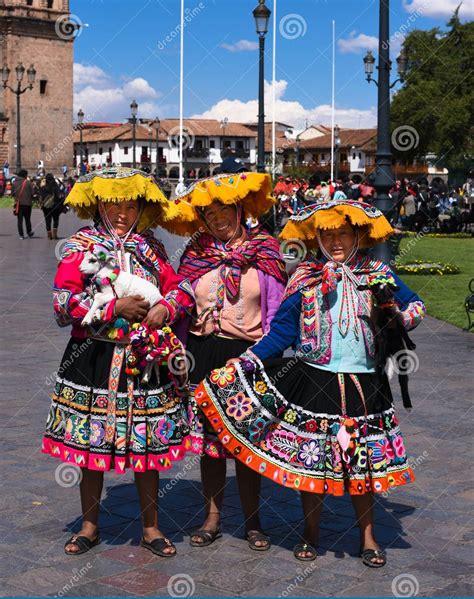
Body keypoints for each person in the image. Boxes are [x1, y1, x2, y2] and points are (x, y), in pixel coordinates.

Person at [195, 199, 425, 566]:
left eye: (343, 233)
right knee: (313, 461)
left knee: (362, 462)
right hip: (315, 378)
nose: (335, 242)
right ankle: (311, 532)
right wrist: (250, 359)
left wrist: (396, 314)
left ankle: (368, 537)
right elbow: (283, 329)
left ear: (358, 235)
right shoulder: (306, 277)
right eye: (327, 234)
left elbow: (416, 306)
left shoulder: (378, 273)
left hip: (365, 381)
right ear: (316, 237)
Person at [42, 167, 195, 557]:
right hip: (93, 357)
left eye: (130, 205)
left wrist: (165, 306)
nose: (123, 213)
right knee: (90, 444)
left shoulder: (151, 248)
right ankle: (89, 526)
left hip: (143, 360)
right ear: (99, 205)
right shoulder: (81, 246)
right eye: (114, 204)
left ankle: (151, 526)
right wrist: (114, 307)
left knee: (146, 446)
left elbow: (181, 288)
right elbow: (62, 304)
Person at [161, 171, 287, 551]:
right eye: (209, 214)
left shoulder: (265, 250)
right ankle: (212, 518)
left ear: (239, 209)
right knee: (210, 446)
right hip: (203, 354)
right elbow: (181, 296)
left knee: (248, 444)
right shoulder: (197, 252)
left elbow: (279, 312)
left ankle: (253, 522)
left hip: (248, 356)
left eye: (223, 211)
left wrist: (267, 357)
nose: (217, 219)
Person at [39, 173, 64, 239]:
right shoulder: (56, 186)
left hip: (46, 206)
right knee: (56, 219)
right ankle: (55, 234)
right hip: (55, 206)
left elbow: (41, 196)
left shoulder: (43, 187)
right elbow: (59, 196)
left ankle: (49, 234)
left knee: (47, 220)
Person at [12, 169, 35, 239]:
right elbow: (32, 193)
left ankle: (21, 235)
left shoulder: (14, 183)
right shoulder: (28, 183)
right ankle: (29, 232)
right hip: (27, 204)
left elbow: (12, 193)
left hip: (18, 204)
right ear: (25, 175)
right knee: (27, 219)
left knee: (19, 220)